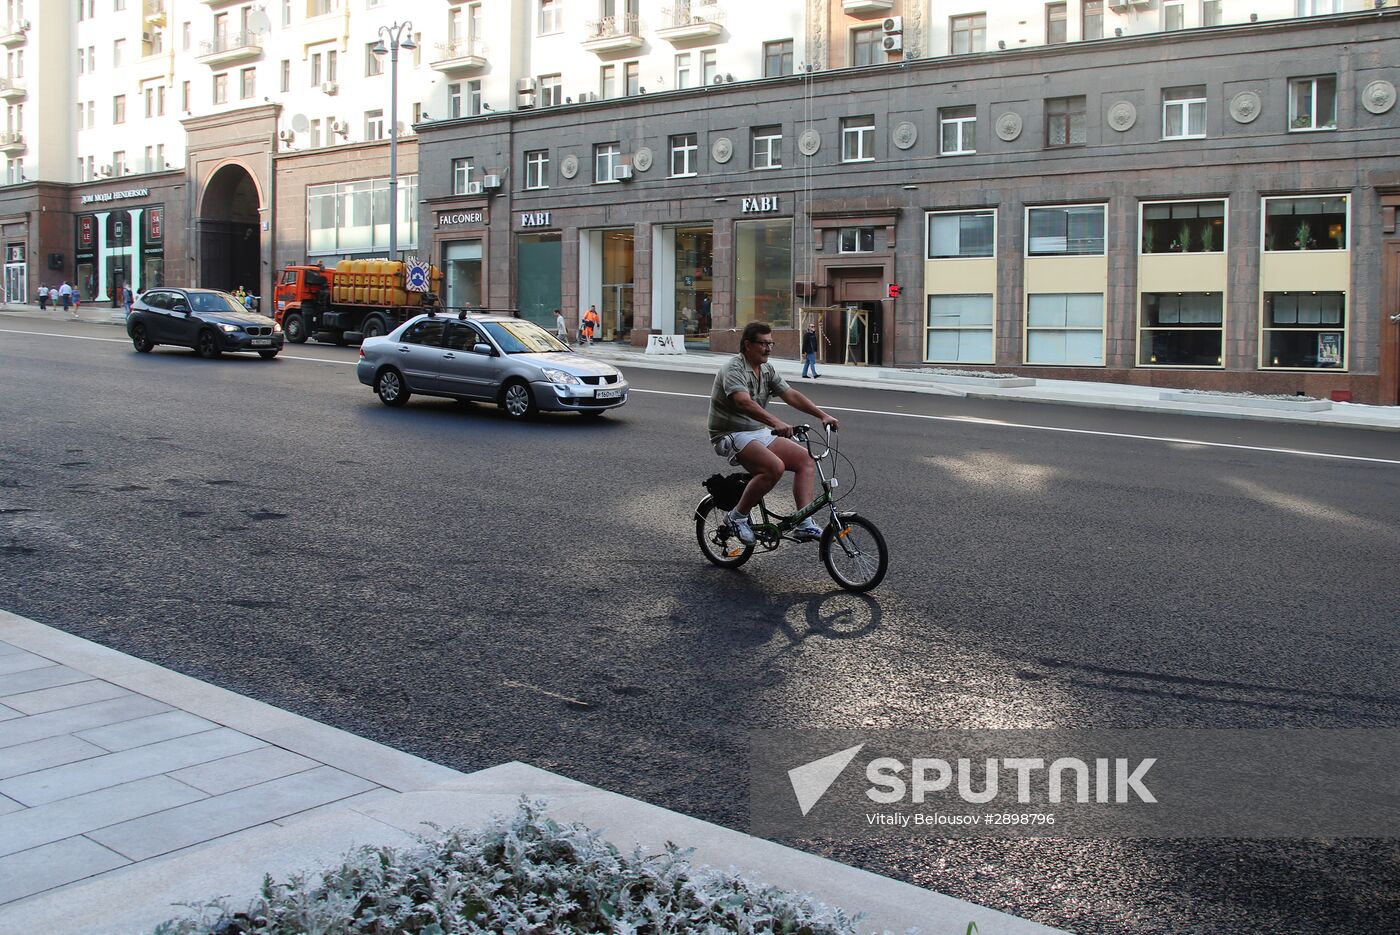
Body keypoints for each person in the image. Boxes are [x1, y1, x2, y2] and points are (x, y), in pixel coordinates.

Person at [708, 321, 840, 546]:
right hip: (730, 434)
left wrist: (822, 415)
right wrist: (776, 421)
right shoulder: (734, 368)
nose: (769, 348)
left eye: (771, 343)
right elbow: (743, 402)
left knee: (805, 461)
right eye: (763, 343)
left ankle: (804, 523)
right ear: (748, 345)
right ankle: (737, 517)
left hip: (757, 431)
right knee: (774, 467)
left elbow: (790, 394)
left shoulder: (767, 369)